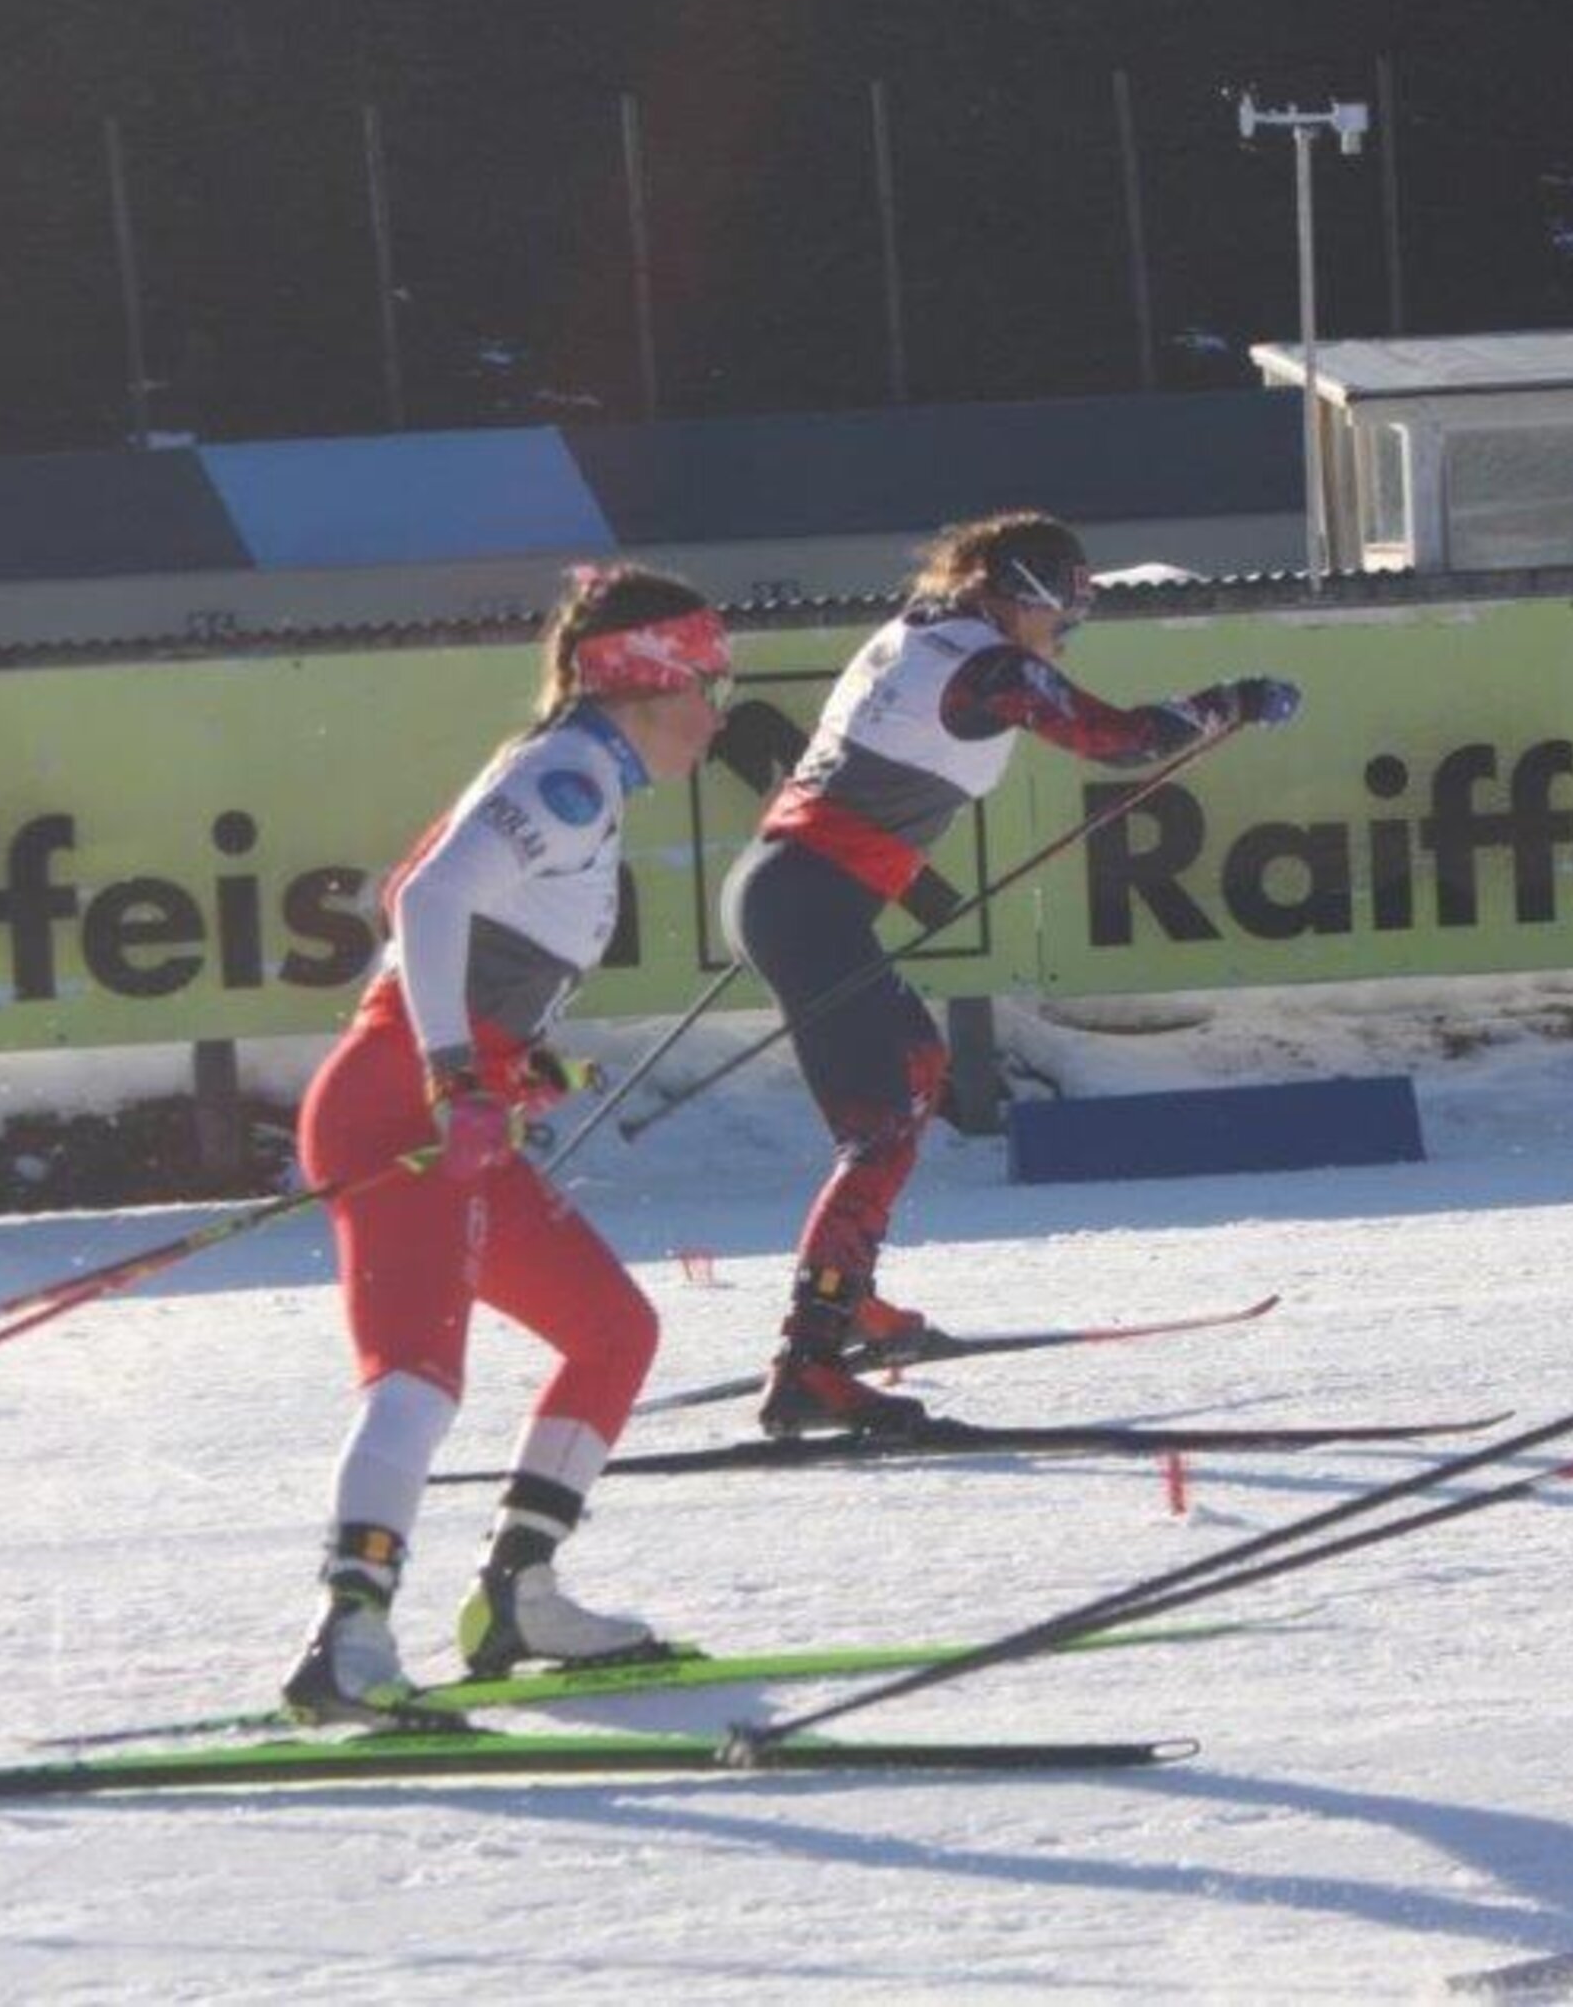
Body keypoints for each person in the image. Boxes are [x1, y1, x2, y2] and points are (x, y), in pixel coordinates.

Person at [720, 509, 1300, 1436]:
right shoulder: (991, 666)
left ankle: (846, 1300)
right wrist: (1232, 700)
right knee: (881, 1128)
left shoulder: (922, 628)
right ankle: (808, 1362)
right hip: (808, 905)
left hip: (786, 892)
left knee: (912, 1079)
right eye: (1062, 611)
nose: (1065, 631)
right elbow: (1120, 739)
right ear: (1020, 594)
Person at [279, 564, 732, 1723]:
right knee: (417, 1379)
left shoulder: (583, 773)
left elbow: (441, 927)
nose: (716, 713)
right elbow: (427, 901)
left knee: (611, 1330)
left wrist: (504, 1062)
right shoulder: (568, 776)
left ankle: (520, 1592)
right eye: (706, 684)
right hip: (401, 1107)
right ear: (648, 680)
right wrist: (455, 1072)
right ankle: (348, 1636)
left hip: (439, 1099)